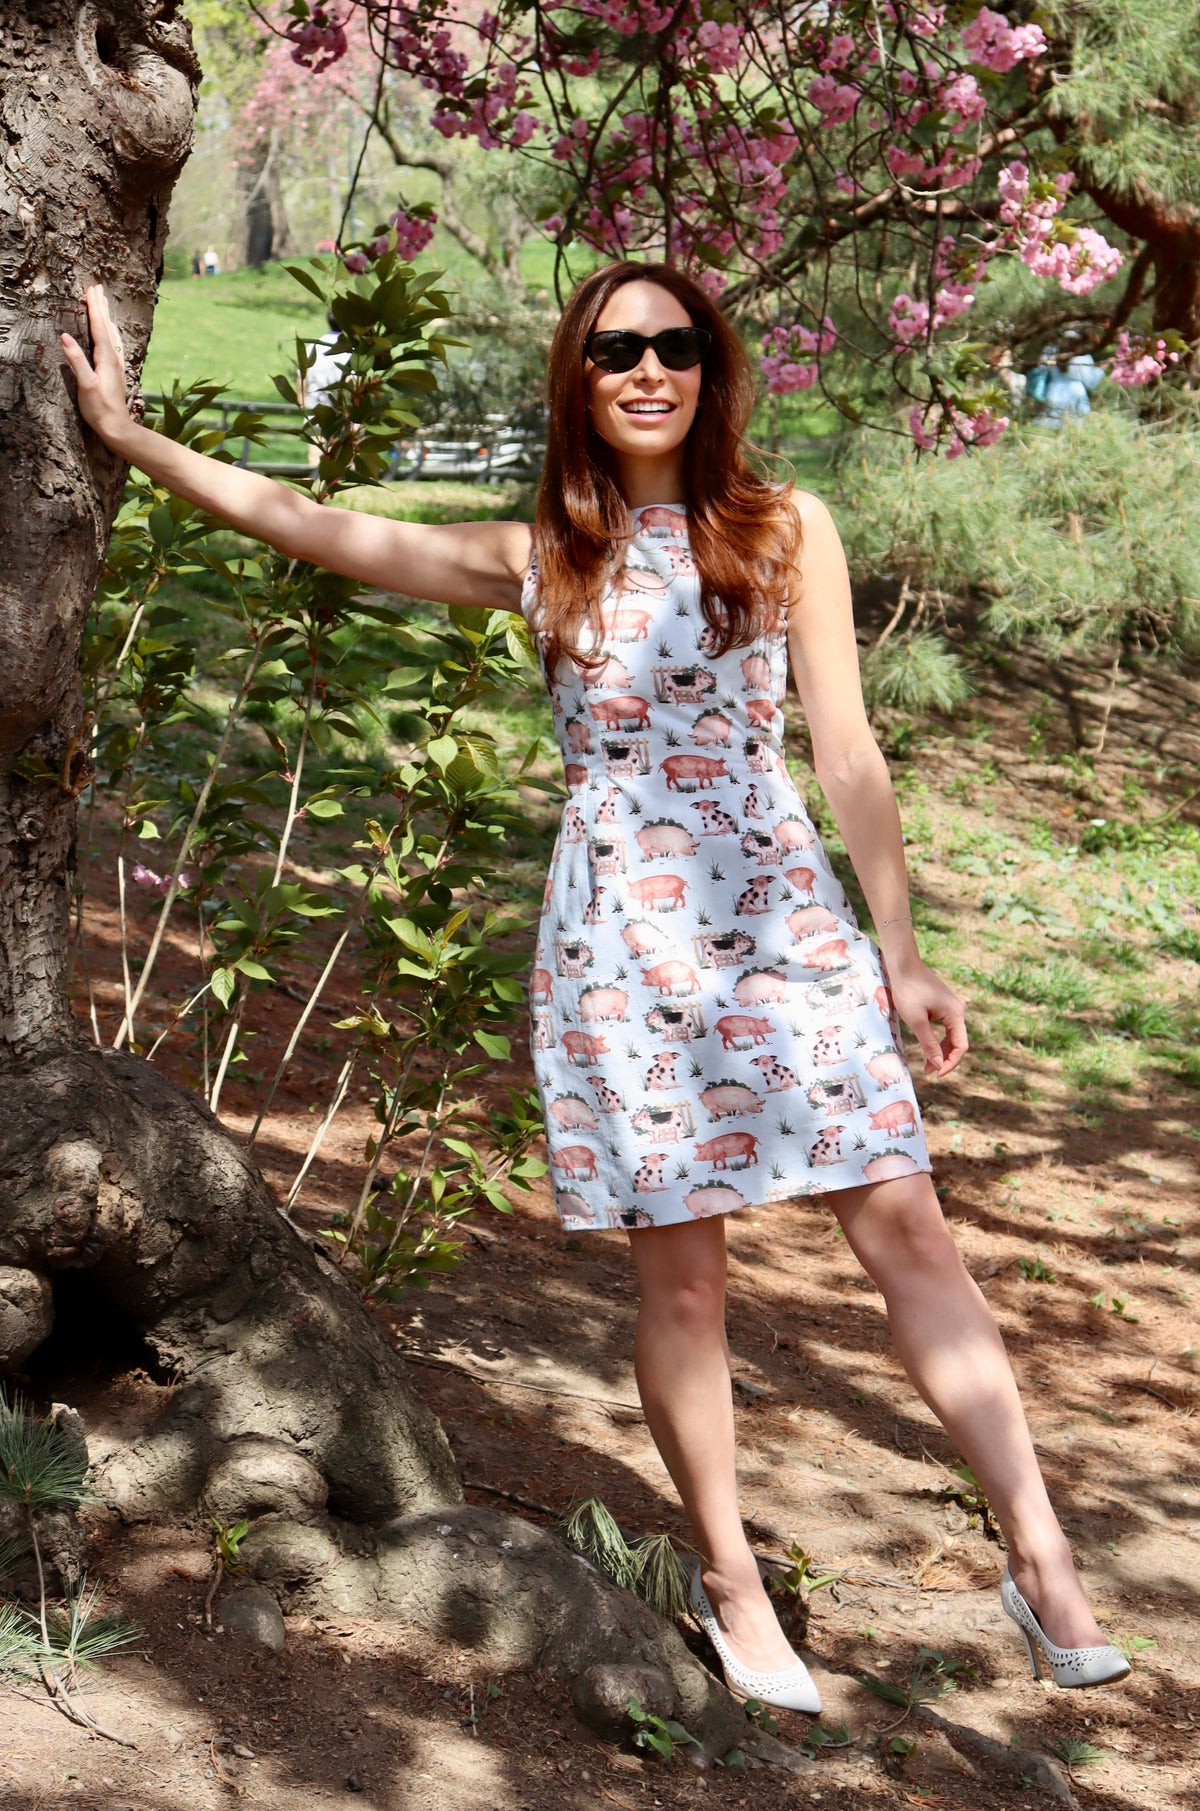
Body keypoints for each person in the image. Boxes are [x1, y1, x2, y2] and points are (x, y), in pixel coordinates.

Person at [61, 268, 1130, 1712]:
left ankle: (1041, 1552)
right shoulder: (543, 556)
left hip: (785, 924)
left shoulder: (787, 528)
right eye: (617, 347)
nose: (647, 368)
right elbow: (319, 526)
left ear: (710, 369)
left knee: (910, 1234)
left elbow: (848, 749)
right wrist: (132, 441)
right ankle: (732, 1581)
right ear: (579, 376)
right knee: (683, 1280)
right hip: (624, 950)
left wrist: (902, 947)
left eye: (674, 345)